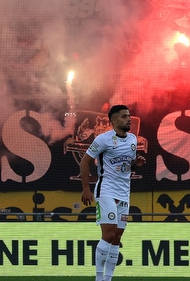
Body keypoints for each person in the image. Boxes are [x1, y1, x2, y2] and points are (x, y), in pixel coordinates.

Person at [80, 105, 145, 281]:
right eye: (124, 117)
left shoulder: (132, 139)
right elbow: (84, 162)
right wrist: (86, 189)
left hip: (124, 193)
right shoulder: (103, 139)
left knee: (116, 237)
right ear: (114, 121)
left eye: (129, 116)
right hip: (106, 190)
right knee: (108, 234)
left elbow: (125, 165)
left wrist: (135, 164)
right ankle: (99, 278)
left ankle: (108, 279)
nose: (128, 119)